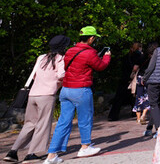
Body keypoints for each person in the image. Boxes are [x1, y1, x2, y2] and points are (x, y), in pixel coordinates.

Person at [44, 26, 112, 163]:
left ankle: (51, 156)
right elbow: (100, 66)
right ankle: (85, 147)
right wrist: (106, 57)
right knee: (85, 119)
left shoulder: (69, 51)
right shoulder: (89, 52)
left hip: (66, 90)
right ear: (91, 38)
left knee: (63, 122)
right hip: (81, 89)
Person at [5, 36, 70, 163]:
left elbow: (34, 75)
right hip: (47, 95)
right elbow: (61, 75)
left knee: (29, 124)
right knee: (43, 125)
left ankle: (13, 152)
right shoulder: (61, 59)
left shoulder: (41, 57)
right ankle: (33, 154)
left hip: (33, 95)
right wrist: (60, 82)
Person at [108, 42, 145, 121]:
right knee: (134, 96)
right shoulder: (139, 56)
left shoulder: (126, 56)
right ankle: (135, 112)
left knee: (118, 98)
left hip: (124, 78)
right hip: (133, 78)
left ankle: (113, 115)